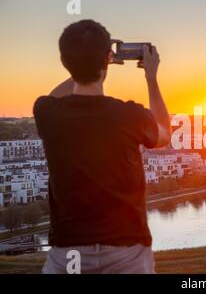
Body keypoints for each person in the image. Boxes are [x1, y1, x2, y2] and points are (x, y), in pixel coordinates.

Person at [33, 20, 171, 274]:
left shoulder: (47, 113)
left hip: (68, 255)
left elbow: (55, 96)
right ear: (108, 57)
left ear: (64, 62)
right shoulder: (130, 116)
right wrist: (151, 77)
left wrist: (89, 61)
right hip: (126, 253)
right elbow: (164, 132)